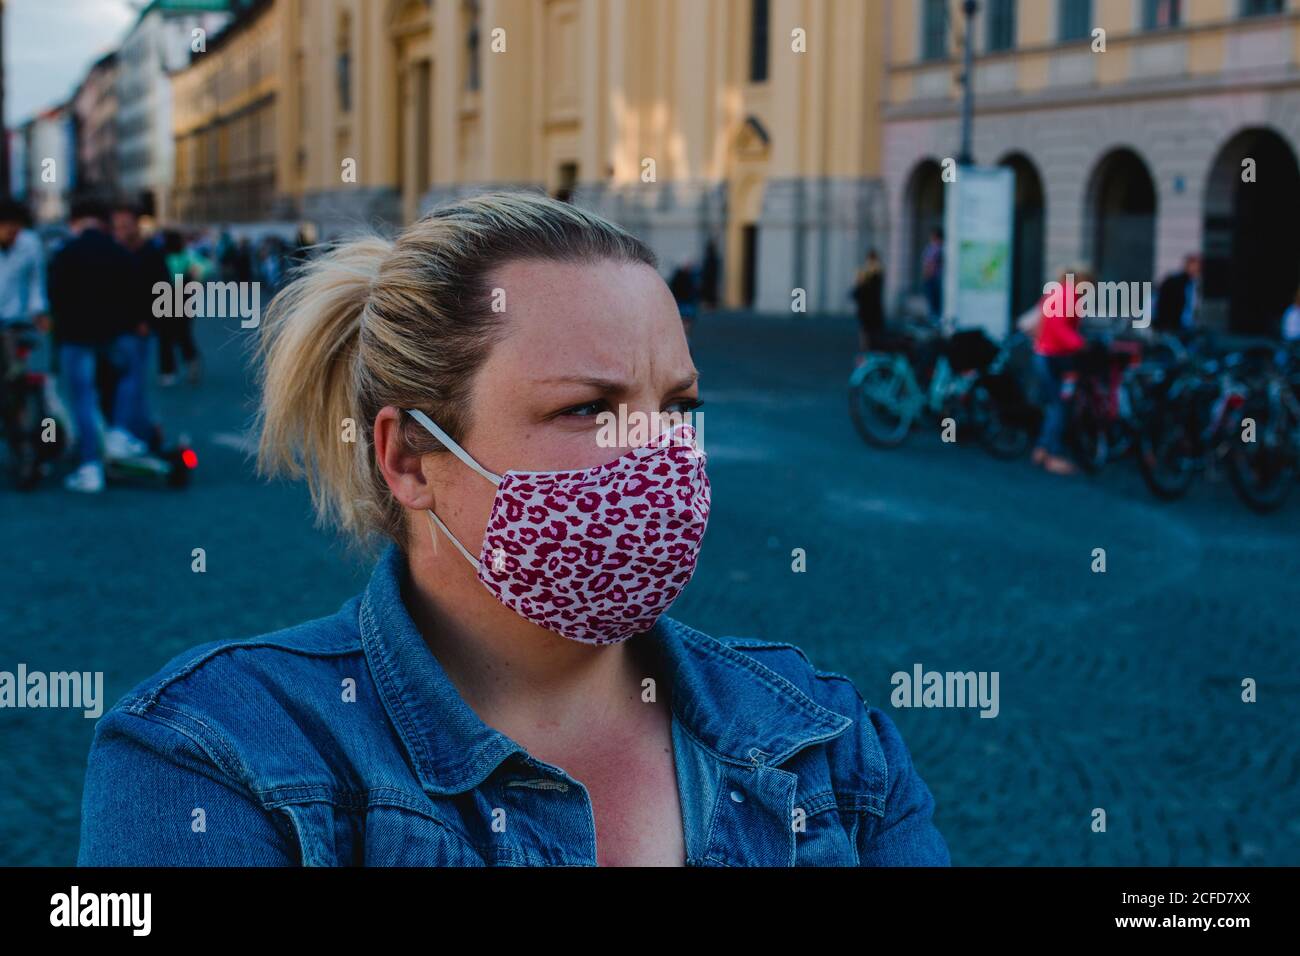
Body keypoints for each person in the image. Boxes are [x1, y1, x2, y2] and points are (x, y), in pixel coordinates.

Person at [78, 191, 949, 867]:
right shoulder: (214, 757)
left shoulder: (830, 745)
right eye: (587, 408)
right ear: (411, 458)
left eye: (680, 406)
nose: (662, 456)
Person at [46, 198, 144, 492]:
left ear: (76, 222)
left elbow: (55, 295)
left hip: (76, 337)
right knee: (128, 377)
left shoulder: (65, 253)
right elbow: (135, 292)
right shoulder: (118, 252)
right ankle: (118, 433)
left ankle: (90, 466)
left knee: (84, 399)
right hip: (113, 333)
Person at [110, 201, 169, 446]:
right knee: (126, 382)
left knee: (132, 381)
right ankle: (136, 430)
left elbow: (162, 289)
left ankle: (126, 431)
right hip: (114, 328)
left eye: (126, 225)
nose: (121, 230)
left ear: (136, 225)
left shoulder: (150, 253)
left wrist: (149, 321)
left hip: (138, 329)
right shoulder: (112, 253)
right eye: (117, 226)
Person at [1030, 268, 1088, 477]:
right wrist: (1080, 343)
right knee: (1059, 406)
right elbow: (1060, 327)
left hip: (1044, 354)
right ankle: (1052, 455)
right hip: (1055, 357)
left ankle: (1042, 449)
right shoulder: (1069, 295)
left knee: (1054, 404)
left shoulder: (1056, 291)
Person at [158, 230, 205, 385]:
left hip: (163, 302)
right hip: (184, 302)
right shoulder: (187, 256)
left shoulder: (161, 256)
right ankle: (191, 361)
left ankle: (168, 372)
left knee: (166, 339)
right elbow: (204, 268)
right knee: (183, 335)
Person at [1154, 253, 1201, 336]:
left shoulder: (1192, 284)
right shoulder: (1175, 282)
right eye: (1194, 267)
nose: (1196, 270)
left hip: (1182, 327)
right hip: (1172, 327)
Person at [852, 249, 885, 364]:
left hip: (866, 311)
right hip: (874, 311)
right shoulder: (878, 271)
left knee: (866, 335)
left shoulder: (865, 272)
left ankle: (867, 357)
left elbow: (857, 292)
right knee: (875, 335)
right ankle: (872, 357)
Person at [669, 258, 700, 336]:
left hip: (683, 302)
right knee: (686, 319)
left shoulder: (679, 276)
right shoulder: (689, 276)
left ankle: (684, 335)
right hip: (685, 302)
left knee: (684, 320)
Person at [920, 228, 944, 324]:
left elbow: (931, 264)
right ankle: (933, 320)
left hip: (935, 279)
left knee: (935, 302)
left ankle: (935, 321)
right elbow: (927, 264)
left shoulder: (940, 249)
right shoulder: (931, 248)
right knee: (932, 302)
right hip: (931, 278)